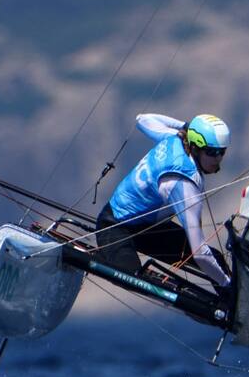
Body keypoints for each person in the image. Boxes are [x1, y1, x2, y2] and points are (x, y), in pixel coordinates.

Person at [96, 113, 232, 291]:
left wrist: (184, 126)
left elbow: (142, 119)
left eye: (222, 151)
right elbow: (200, 254)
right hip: (114, 226)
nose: (218, 158)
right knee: (136, 281)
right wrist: (227, 285)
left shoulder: (175, 139)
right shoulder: (182, 183)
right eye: (211, 152)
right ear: (195, 147)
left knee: (217, 260)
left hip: (147, 228)